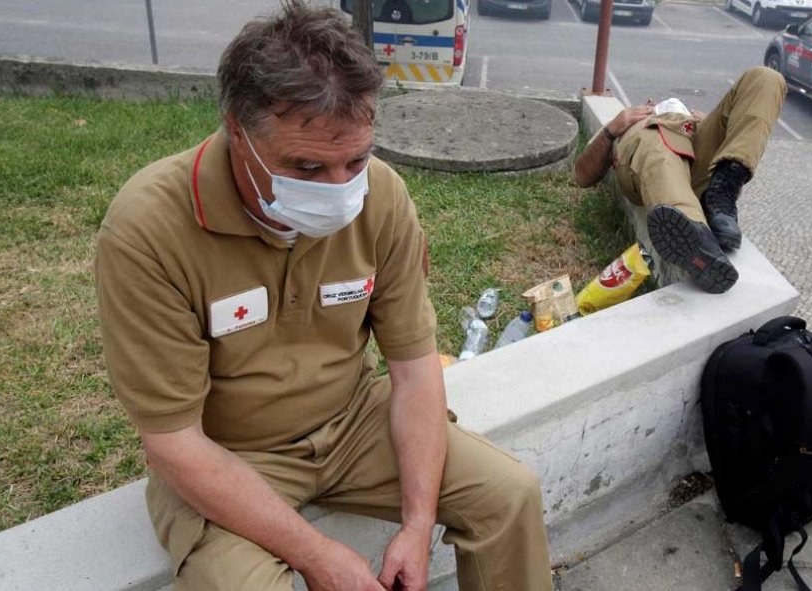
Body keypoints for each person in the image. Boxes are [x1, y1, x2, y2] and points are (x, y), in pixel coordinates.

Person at [94, 3, 552, 590]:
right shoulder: (148, 229)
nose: (339, 191)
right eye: (306, 166)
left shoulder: (381, 196)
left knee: (509, 495)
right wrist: (317, 555)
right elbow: (174, 443)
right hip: (229, 452)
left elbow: (414, 371)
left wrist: (418, 523)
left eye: (356, 159)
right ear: (239, 133)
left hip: (356, 420)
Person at [574, 67, 786, 294]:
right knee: (659, 152)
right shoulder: (631, 120)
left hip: (695, 146)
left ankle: (725, 186)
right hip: (651, 145)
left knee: (765, 78)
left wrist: (714, 125)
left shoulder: (694, 121)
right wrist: (612, 129)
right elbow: (582, 175)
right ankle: (698, 242)